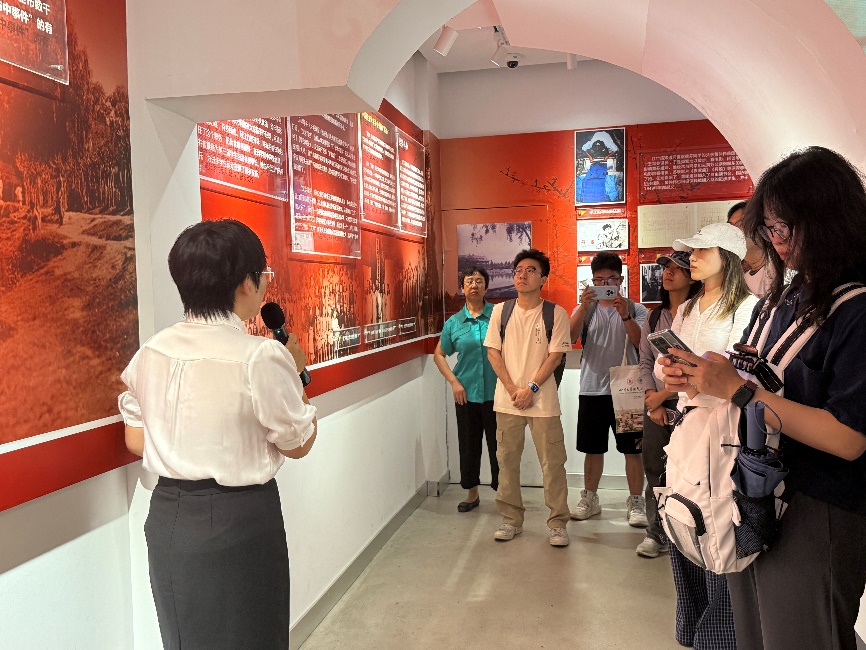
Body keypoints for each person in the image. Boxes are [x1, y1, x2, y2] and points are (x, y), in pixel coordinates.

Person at [661, 147, 866, 650]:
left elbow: (848, 438)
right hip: (753, 490)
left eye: (785, 227)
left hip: (817, 501)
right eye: (769, 229)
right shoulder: (784, 299)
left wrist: (736, 389)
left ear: (829, 219)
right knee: (752, 633)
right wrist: (699, 381)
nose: (777, 242)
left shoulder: (856, 310)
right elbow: (750, 382)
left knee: (801, 633)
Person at [118, 219, 317, 649]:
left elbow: (136, 440)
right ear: (246, 283)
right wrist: (297, 371)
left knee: (185, 638)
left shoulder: (150, 352)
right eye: (264, 275)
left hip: (168, 516)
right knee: (252, 637)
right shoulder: (260, 356)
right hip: (239, 520)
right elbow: (298, 443)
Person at [654, 221, 758, 649]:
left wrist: (694, 376)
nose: (691, 258)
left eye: (701, 251)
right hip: (686, 423)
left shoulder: (747, 307)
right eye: (691, 251)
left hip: (723, 430)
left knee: (716, 526)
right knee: (682, 518)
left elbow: (738, 372)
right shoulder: (688, 307)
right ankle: (691, 623)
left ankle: (718, 636)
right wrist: (670, 372)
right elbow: (668, 363)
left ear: (727, 258)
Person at [484, 248, 573, 546]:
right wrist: (513, 389)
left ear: (543, 278)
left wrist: (531, 389)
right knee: (507, 462)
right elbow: (493, 353)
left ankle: (557, 523)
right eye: (518, 270)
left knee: (553, 464)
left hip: (542, 402)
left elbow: (555, 357)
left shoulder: (555, 313)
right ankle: (511, 519)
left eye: (530, 270)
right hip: (507, 401)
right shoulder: (501, 311)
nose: (522, 275)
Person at [569, 251, 649, 527]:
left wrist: (625, 315)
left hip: (628, 391)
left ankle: (636, 501)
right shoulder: (586, 309)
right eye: (600, 280)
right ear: (592, 281)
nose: (606, 284)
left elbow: (642, 344)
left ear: (621, 280)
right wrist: (582, 307)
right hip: (592, 388)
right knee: (592, 449)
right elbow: (568, 338)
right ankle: (589, 498)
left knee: (632, 450)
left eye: (611, 279)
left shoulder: (636, 309)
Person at [635, 250, 701, 558]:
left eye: (678, 268)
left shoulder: (699, 315)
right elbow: (645, 361)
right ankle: (655, 530)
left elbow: (697, 365)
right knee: (654, 467)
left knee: (688, 469)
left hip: (689, 404)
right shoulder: (653, 316)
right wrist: (652, 400)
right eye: (666, 268)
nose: (668, 273)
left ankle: (686, 532)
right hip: (655, 405)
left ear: (693, 277)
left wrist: (662, 397)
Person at [434, 265, 499, 512]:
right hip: (466, 395)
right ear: (462, 288)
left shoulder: (498, 316)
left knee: (500, 447)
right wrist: (454, 382)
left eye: (479, 281)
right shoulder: (454, 322)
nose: (474, 285)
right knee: (469, 445)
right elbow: (439, 355)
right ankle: (472, 493)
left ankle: (504, 494)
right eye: (469, 281)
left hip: (498, 394)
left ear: (486, 287)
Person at [727, 200, 772, 297]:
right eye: (730, 226)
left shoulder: (780, 271)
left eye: (741, 224)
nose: (734, 231)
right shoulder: (739, 279)